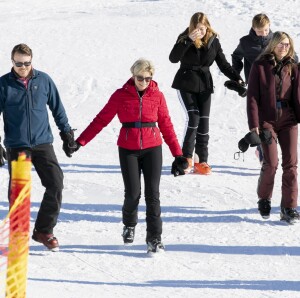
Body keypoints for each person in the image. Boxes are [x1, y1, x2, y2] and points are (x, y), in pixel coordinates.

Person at [68, 59, 187, 254]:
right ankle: (129, 224)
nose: (144, 82)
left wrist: (178, 154)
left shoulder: (157, 96)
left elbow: (166, 124)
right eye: (140, 78)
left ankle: (154, 238)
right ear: (133, 76)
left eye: (148, 79)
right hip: (128, 149)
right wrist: (80, 142)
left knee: (153, 195)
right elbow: (101, 120)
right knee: (133, 193)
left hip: (152, 148)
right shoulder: (120, 95)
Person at [0, 43, 76, 251]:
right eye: (18, 63)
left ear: (31, 61)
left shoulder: (43, 80)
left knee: (56, 183)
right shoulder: (4, 84)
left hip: (43, 142)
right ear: (12, 62)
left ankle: (44, 230)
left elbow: (57, 108)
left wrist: (66, 133)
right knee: (19, 192)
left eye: (26, 63)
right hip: (18, 144)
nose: (23, 67)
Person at [169, 12, 244, 175]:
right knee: (193, 117)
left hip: (204, 85)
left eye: (202, 29)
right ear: (191, 27)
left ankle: (201, 160)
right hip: (186, 82)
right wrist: (188, 39)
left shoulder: (213, 41)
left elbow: (223, 64)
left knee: (204, 122)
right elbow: (173, 58)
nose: (199, 32)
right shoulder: (184, 38)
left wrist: (237, 79)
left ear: (207, 27)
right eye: (196, 29)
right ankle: (186, 158)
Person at [247, 31, 300, 223]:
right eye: (281, 44)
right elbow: (252, 97)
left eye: (287, 44)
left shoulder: (294, 67)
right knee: (271, 163)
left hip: (289, 119)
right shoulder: (260, 66)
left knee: (291, 165)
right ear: (273, 45)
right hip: (267, 121)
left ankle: (289, 207)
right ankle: (264, 197)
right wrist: (254, 125)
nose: (284, 48)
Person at [232, 13, 273, 164]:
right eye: (261, 31)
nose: (264, 34)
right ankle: (263, 153)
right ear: (253, 28)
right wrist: (237, 75)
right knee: (260, 120)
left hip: (274, 86)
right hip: (255, 85)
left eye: (267, 30)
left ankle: (265, 149)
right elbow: (236, 56)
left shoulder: (276, 39)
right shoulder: (245, 42)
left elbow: (292, 56)